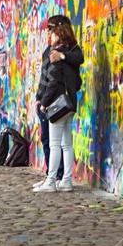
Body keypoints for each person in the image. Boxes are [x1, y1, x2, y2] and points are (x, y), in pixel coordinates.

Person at [33, 15, 84, 188]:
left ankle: (51, 180)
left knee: (55, 144)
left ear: (57, 31)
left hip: (56, 102)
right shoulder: (68, 52)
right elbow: (77, 80)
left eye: (50, 30)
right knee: (66, 144)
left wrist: (43, 102)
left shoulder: (57, 53)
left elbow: (51, 81)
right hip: (69, 102)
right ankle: (66, 180)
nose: (48, 34)